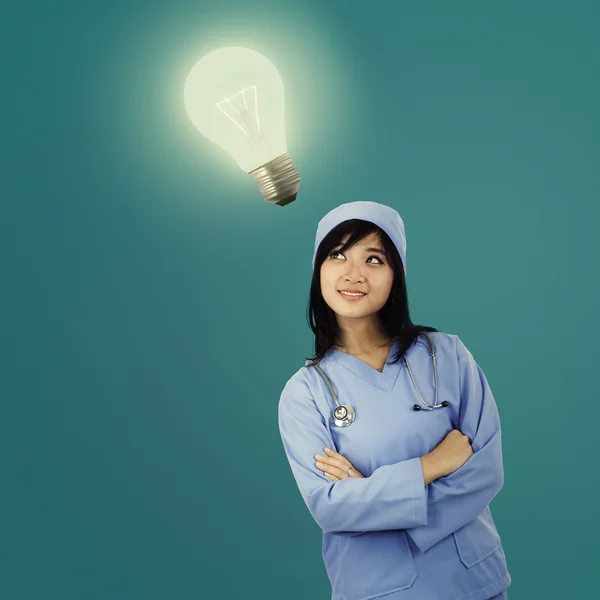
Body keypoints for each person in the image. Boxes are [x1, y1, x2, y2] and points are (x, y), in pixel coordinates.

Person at [277, 201, 511, 600]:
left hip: (474, 582)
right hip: (379, 589)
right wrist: (430, 465)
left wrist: (371, 495)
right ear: (318, 271)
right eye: (337, 255)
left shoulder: (447, 355)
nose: (354, 274)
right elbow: (331, 508)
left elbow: (486, 469)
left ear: (395, 276)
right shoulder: (305, 393)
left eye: (373, 259)